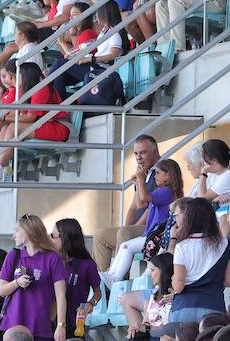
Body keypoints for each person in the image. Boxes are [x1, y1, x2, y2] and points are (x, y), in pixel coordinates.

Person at [101, 157, 182, 287]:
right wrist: (139, 184)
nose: (155, 176)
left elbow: (144, 198)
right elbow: (140, 204)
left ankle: (115, 278)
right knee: (124, 246)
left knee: (127, 247)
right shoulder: (161, 191)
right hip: (151, 234)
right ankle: (112, 275)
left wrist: (141, 180)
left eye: (159, 172)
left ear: (169, 175)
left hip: (157, 236)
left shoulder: (167, 192)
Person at [93, 135, 161, 273]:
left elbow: (150, 209)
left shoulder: (163, 172)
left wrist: (130, 229)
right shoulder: (144, 172)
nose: (138, 157)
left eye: (143, 152)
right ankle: (101, 283)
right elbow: (135, 207)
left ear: (155, 152)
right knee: (101, 235)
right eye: (136, 153)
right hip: (140, 228)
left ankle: (116, 281)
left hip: (154, 229)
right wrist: (126, 227)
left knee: (125, 232)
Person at [0, 214, 69, 341]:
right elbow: (2, 291)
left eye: (17, 230)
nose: (13, 235)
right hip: (13, 326)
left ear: (28, 231)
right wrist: (16, 283)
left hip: (40, 327)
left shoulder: (52, 258)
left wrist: (61, 325)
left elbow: (61, 296)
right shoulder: (13, 256)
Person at [170, 197, 230, 325]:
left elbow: (178, 287)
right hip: (214, 307)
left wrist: (174, 278)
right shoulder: (224, 244)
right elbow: (229, 281)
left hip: (184, 307)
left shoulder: (182, 246)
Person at [53, 218, 102, 334]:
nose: (50, 240)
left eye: (53, 235)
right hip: (49, 323)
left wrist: (91, 304)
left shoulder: (87, 265)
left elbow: (98, 292)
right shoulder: (53, 260)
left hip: (74, 324)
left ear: (65, 238)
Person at [121, 253, 173, 341]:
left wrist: (146, 329)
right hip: (153, 337)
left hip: (165, 337)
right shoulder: (154, 296)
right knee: (132, 335)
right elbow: (146, 325)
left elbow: (171, 328)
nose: (150, 274)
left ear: (163, 271)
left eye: (153, 270)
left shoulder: (174, 296)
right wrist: (136, 328)